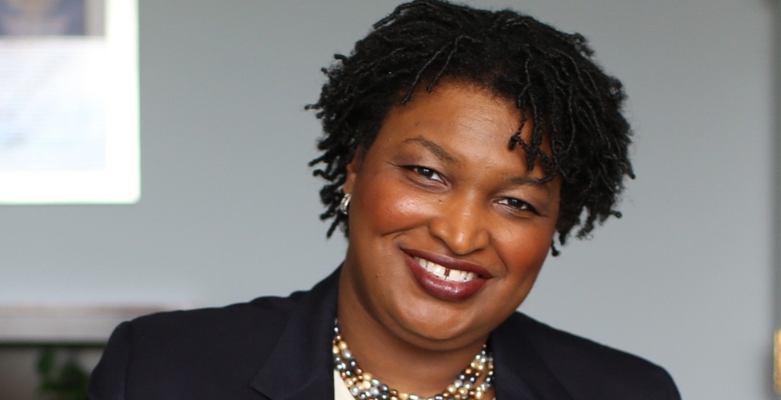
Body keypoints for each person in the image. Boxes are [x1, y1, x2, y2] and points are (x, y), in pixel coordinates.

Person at [88, 1, 681, 399]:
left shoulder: (627, 392)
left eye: (517, 203)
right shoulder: (164, 371)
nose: (461, 234)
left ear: (556, 224)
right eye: (427, 173)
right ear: (353, 168)